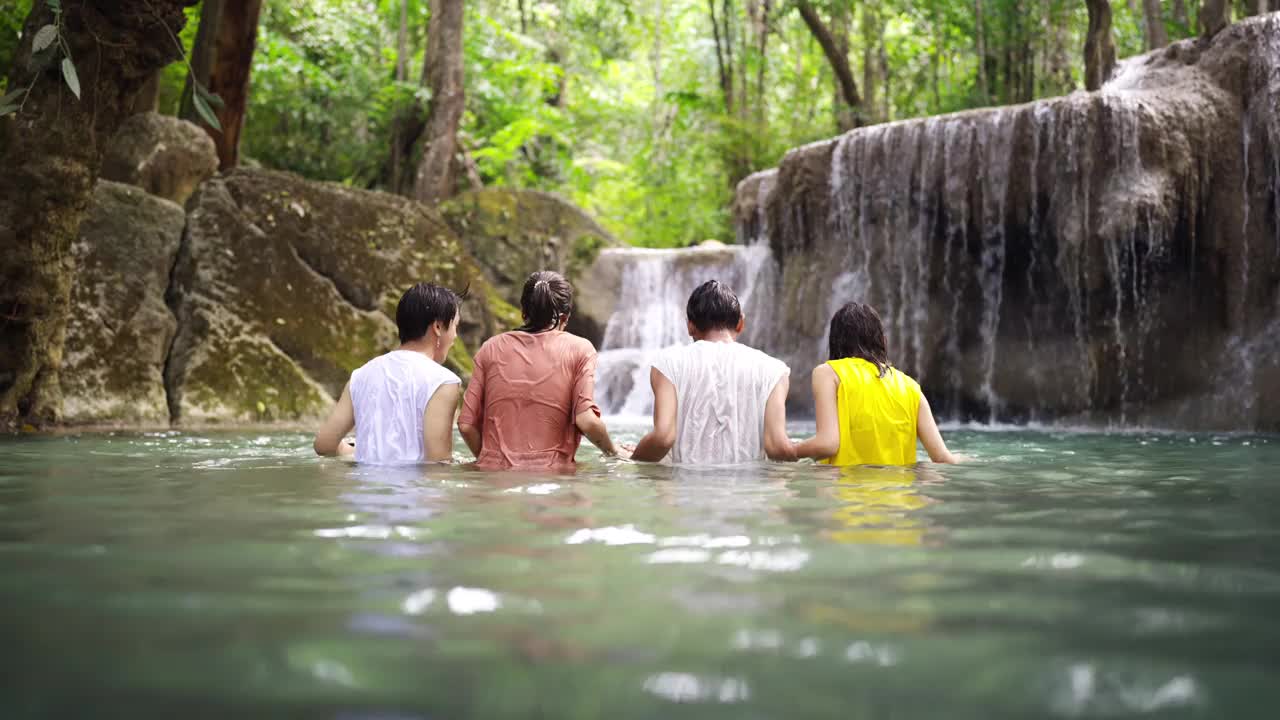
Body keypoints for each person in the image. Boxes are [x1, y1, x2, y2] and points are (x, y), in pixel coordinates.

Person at [458, 271, 625, 469]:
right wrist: (614, 452)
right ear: (565, 317)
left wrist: (492, 462)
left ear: (523, 312)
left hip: (494, 478)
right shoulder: (580, 349)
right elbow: (586, 420)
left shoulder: (490, 347)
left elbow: (466, 425)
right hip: (554, 481)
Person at [631, 279, 794, 465]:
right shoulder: (774, 370)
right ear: (741, 323)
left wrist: (631, 458)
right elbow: (777, 447)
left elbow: (662, 438)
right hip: (749, 492)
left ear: (690, 326)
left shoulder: (667, 363)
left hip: (684, 490)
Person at [314, 282, 463, 464]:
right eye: (455, 325)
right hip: (412, 490)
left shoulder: (361, 375)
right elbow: (438, 463)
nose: (455, 335)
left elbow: (324, 445)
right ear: (438, 327)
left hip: (362, 490)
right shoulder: (443, 381)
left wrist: (353, 451)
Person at [792, 302, 957, 465]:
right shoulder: (911, 387)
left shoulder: (829, 373)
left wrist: (789, 450)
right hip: (900, 491)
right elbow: (942, 458)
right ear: (882, 340)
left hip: (847, 490)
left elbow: (827, 444)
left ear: (834, 341)